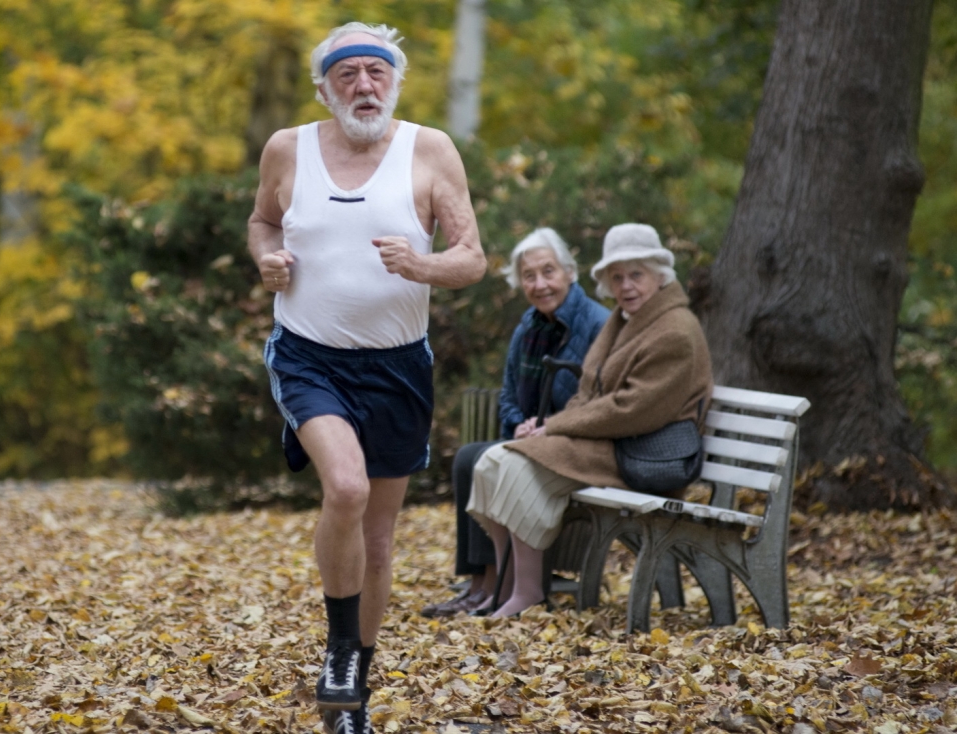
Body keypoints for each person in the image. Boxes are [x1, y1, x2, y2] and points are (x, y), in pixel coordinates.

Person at [248, 21, 486, 734]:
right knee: (344, 488)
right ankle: (338, 651)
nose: (363, 85)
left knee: (379, 542)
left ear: (395, 82)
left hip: (397, 366)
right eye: (346, 73)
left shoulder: (430, 150)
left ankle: (354, 693)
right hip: (308, 355)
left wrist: (425, 266)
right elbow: (262, 223)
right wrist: (267, 260)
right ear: (324, 88)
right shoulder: (287, 149)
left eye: (375, 72)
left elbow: (472, 257)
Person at [466, 223, 713, 618]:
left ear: (659, 275)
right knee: (491, 463)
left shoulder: (675, 331)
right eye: (617, 277)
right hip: (611, 442)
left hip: (643, 453)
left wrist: (556, 427)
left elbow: (633, 409)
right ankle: (507, 586)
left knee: (510, 463)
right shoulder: (625, 319)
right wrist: (545, 426)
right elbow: (589, 390)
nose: (626, 285)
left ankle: (528, 593)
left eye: (636, 275)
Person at [419, 228, 608, 618]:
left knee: (482, 459)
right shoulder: (528, 328)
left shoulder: (596, 324)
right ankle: (479, 583)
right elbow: (507, 395)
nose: (539, 284)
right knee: (469, 457)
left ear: (570, 273)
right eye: (529, 276)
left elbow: (598, 400)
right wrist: (519, 422)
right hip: (534, 436)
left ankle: (496, 583)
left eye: (548, 272)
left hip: (574, 442)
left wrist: (550, 424)